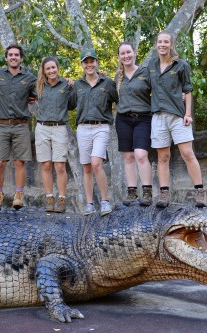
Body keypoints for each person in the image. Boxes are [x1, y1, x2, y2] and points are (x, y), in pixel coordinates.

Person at [147, 31, 207, 208]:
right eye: (160, 42)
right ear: (156, 44)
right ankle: (164, 194)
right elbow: (142, 83)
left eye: (166, 42)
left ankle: (200, 192)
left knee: (187, 153)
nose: (162, 45)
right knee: (163, 156)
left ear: (171, 44)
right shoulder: (151, 65)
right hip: (158, 116)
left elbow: (188, 90)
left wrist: (188, 114)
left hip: (177, 116)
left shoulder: (181, 65)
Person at [69, 48, 118, 216]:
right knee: (87, 167)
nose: (89, 64)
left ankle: (105, 201)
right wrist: (66, 84)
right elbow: (69, 105)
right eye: (86, 61)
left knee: (96, 163)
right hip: (82, 128)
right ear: (82, 64)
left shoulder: (107, 83)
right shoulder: (77, 85)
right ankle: (89, 204)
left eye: (92, 61)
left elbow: (119, 99)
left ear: (97, 63)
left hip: (101, 127)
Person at [0, 44, 37, 210]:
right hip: (2, 125)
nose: (13, 57)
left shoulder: (30, 78)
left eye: (17, 55)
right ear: (6, 57)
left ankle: (19, 195)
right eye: (10, 55)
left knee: (19, 162)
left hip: (21, 125)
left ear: (21, 58)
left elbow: (43, 90)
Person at [115, 42, 153, 207]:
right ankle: (132, 192)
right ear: (119, 57)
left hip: (143, 118)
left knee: (141, 155)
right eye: (122, 53)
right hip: (123, 119)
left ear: (134, 53)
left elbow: (159, 90)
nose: (126, 56)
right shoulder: (117, 77)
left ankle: (147, 192)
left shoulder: (146, 72)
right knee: (128, 157)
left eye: (128, 52)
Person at [34, 57, 73, 213]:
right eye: (47, 69)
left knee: (60, 166)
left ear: (58, 67)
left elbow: (73, 103)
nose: (51, 71)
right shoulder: (37, 86)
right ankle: (49, 198)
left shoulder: (67, 84)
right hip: (42, 127)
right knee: (45, 165)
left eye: (53, 68)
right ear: (44, 71)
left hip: (59, 127)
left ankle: (62, 199)